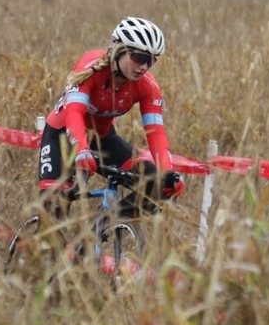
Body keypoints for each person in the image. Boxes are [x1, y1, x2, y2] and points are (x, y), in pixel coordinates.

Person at [37, 16, 184, 223]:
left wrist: (168, 171)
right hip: (61, 135)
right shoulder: (91, 66)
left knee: (157, 184)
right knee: (52, 219)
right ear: (118, 51)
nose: (144, 67)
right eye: (139, 58)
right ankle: (38, 251)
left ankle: (102, 227)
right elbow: (74, 113)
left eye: (151, 60)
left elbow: (156, 133)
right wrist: (80, 148)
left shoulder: (147, 87)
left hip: (103, 139)